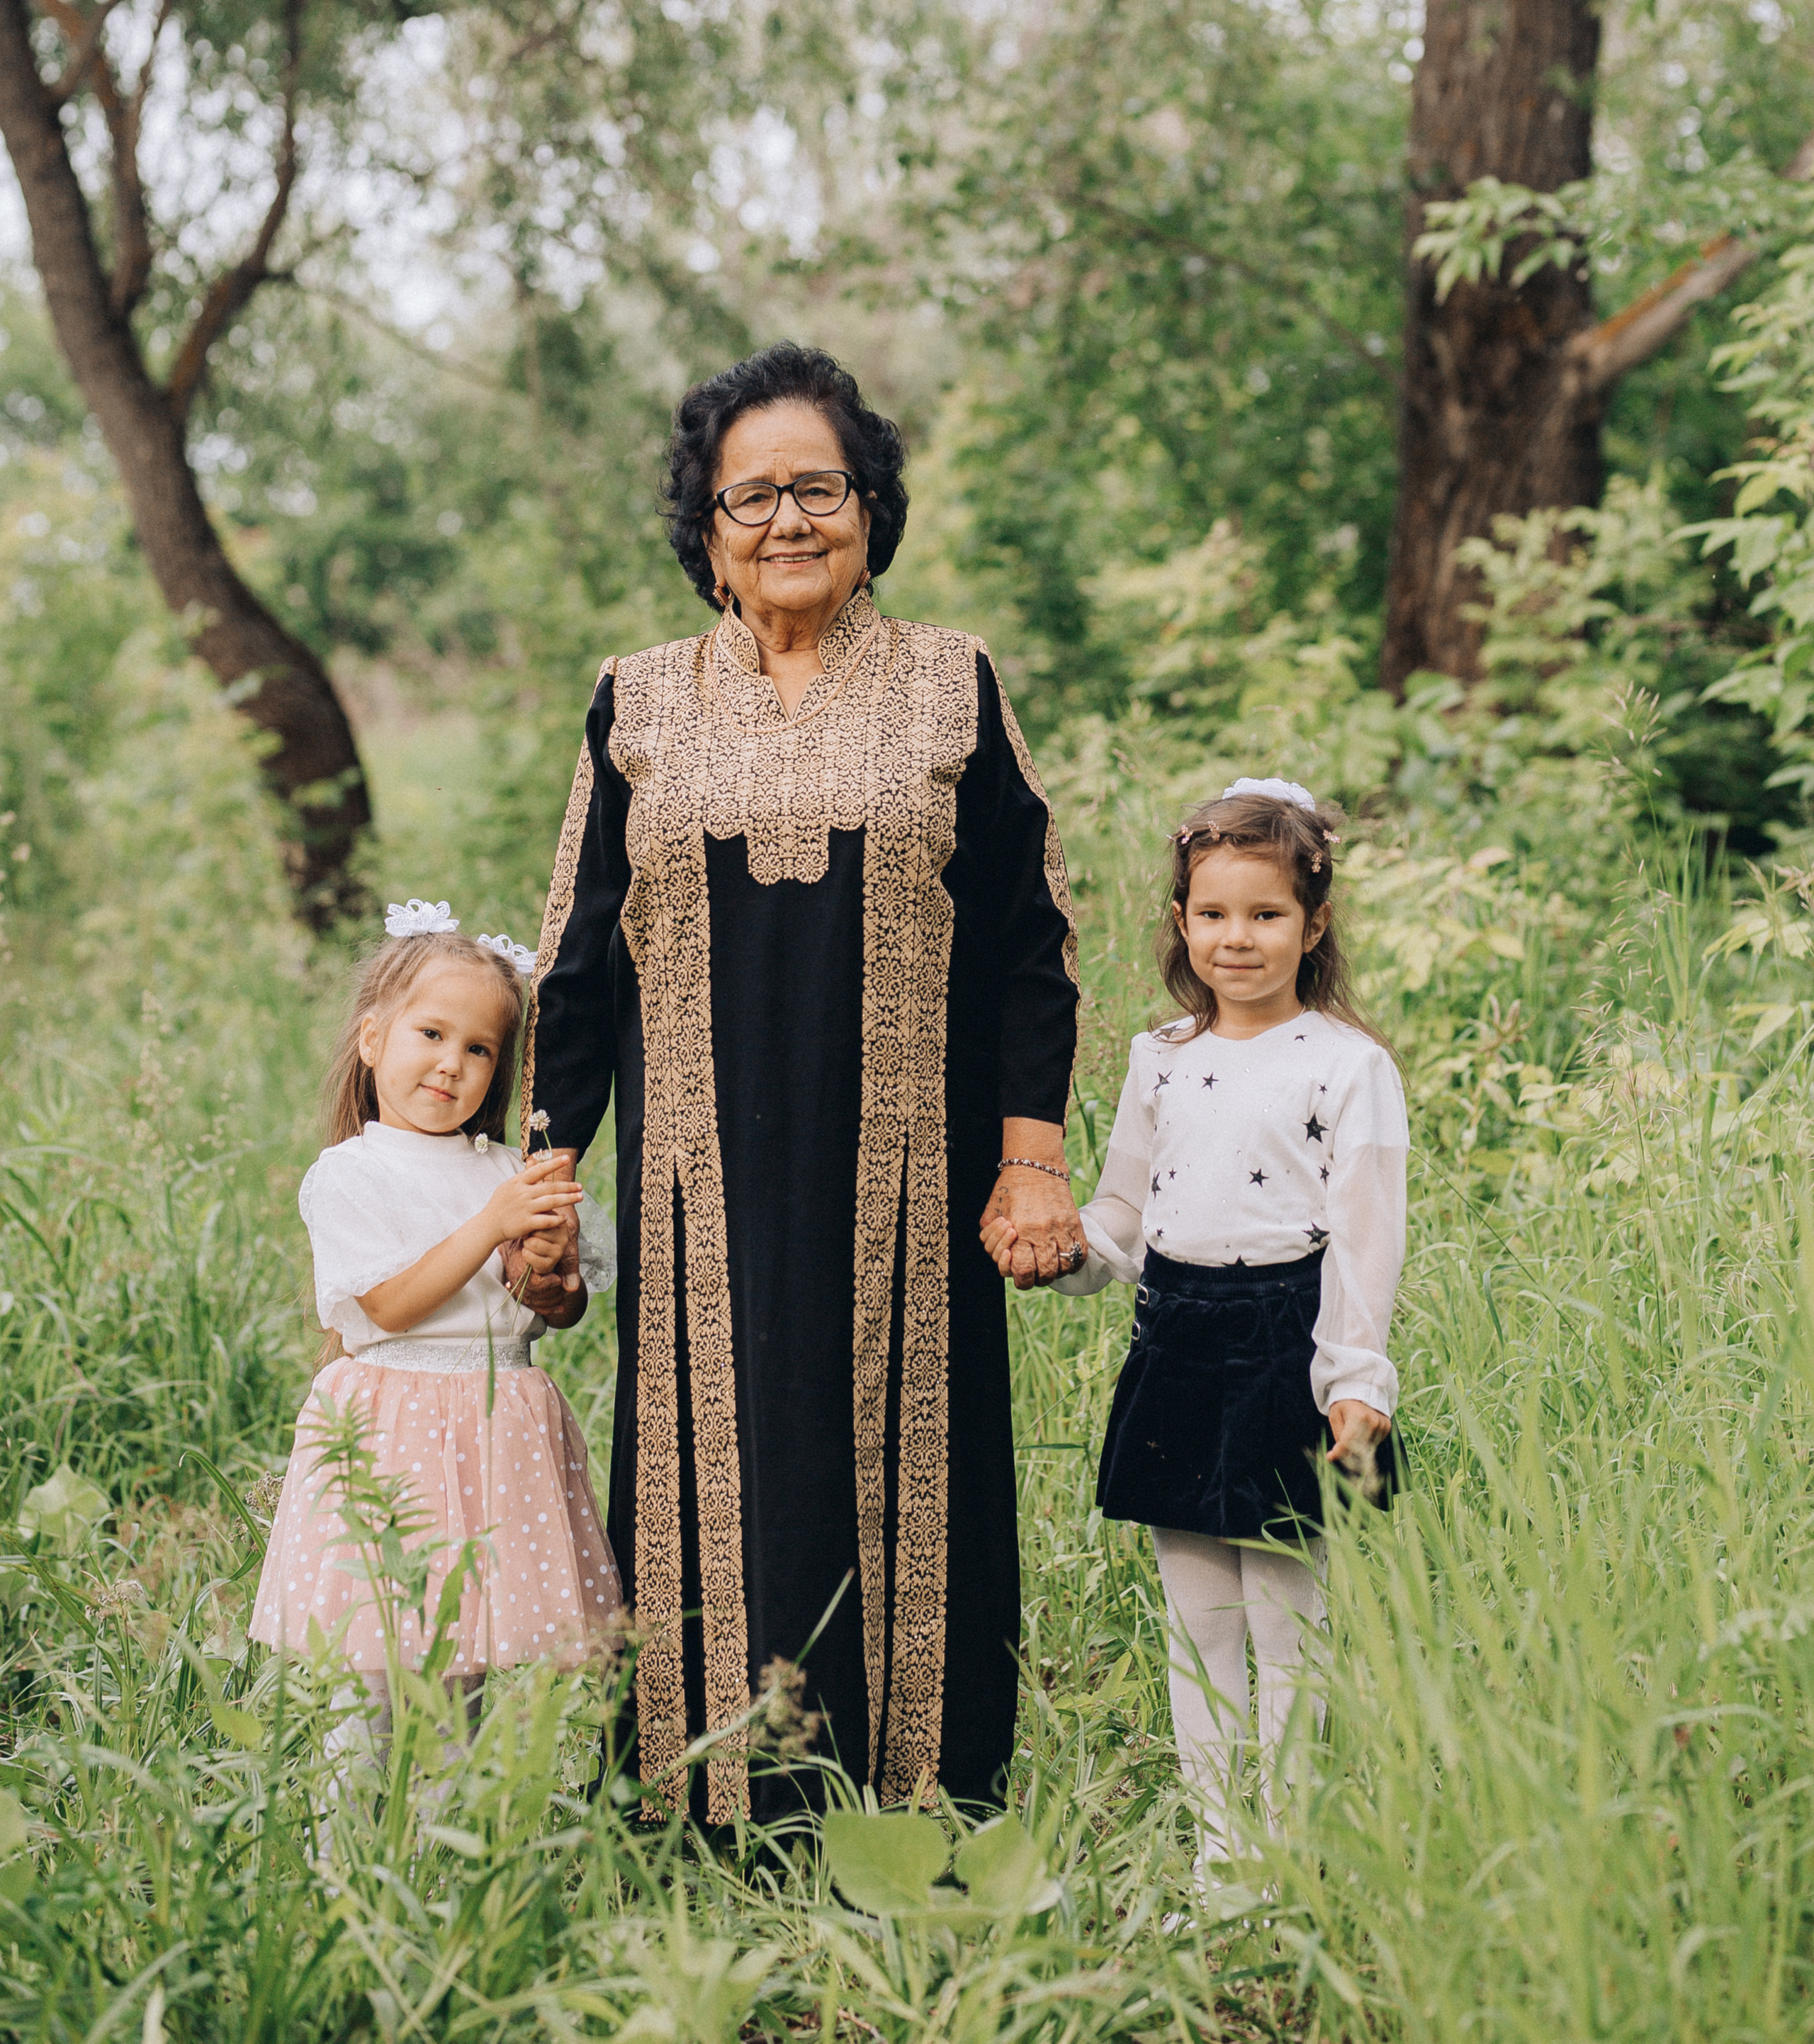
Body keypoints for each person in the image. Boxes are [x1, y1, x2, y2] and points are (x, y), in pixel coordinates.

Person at [520, 341, 1085, 1823]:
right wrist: (541, 1172)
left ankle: (920, 1806)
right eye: (748, 495)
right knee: (716, 1465)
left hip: (908, 1168)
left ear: (870, 508)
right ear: (705, 535)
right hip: (694, 1181)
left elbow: (1032, 943)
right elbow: (576, 956)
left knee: (909, 1465)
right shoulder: (634, 701)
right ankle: (712, 1806)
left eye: (818, 488)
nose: (787, 520)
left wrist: (1029, 1159)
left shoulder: (950, 681)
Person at [990, 777, 1406, 1887]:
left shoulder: (1347, 1065)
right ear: (1181, 920)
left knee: (1288, 1623)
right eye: (1214, 913)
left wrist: (1355, 1382)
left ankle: (1289, 1863)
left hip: (1288, 1343)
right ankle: (1223, 1865)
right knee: (1199, 1624)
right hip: (1175, 1340)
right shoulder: (1159, 1056)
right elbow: (1127, 1218)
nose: (1238, 938)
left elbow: (1366, 1242)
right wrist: (1065, 1252)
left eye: (1266, 915)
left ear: (1313, 925)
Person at [251, 905, 621, 1763]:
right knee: (374, 1664)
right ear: (373, 1039)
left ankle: (448, 1858)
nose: (452, 1065)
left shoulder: (507, 1170)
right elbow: (387, 1304)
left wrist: (547, 1268)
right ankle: (345, 1858)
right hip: (395, 1427)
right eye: (431, 1034)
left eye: (481, 1049)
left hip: (495, 1428)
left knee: (467, 1662)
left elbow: (556, 1310)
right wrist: (491, 1225)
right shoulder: (352, 1173)